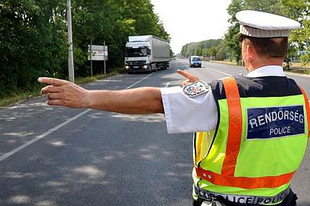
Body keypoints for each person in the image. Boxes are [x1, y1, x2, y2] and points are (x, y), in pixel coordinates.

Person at [38, 10, 310, 206]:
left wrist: (87, 97)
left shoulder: (222, 96)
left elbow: (157, 100)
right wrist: (203, 92)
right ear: (283, 51)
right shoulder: (302, 97)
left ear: (248, 49)